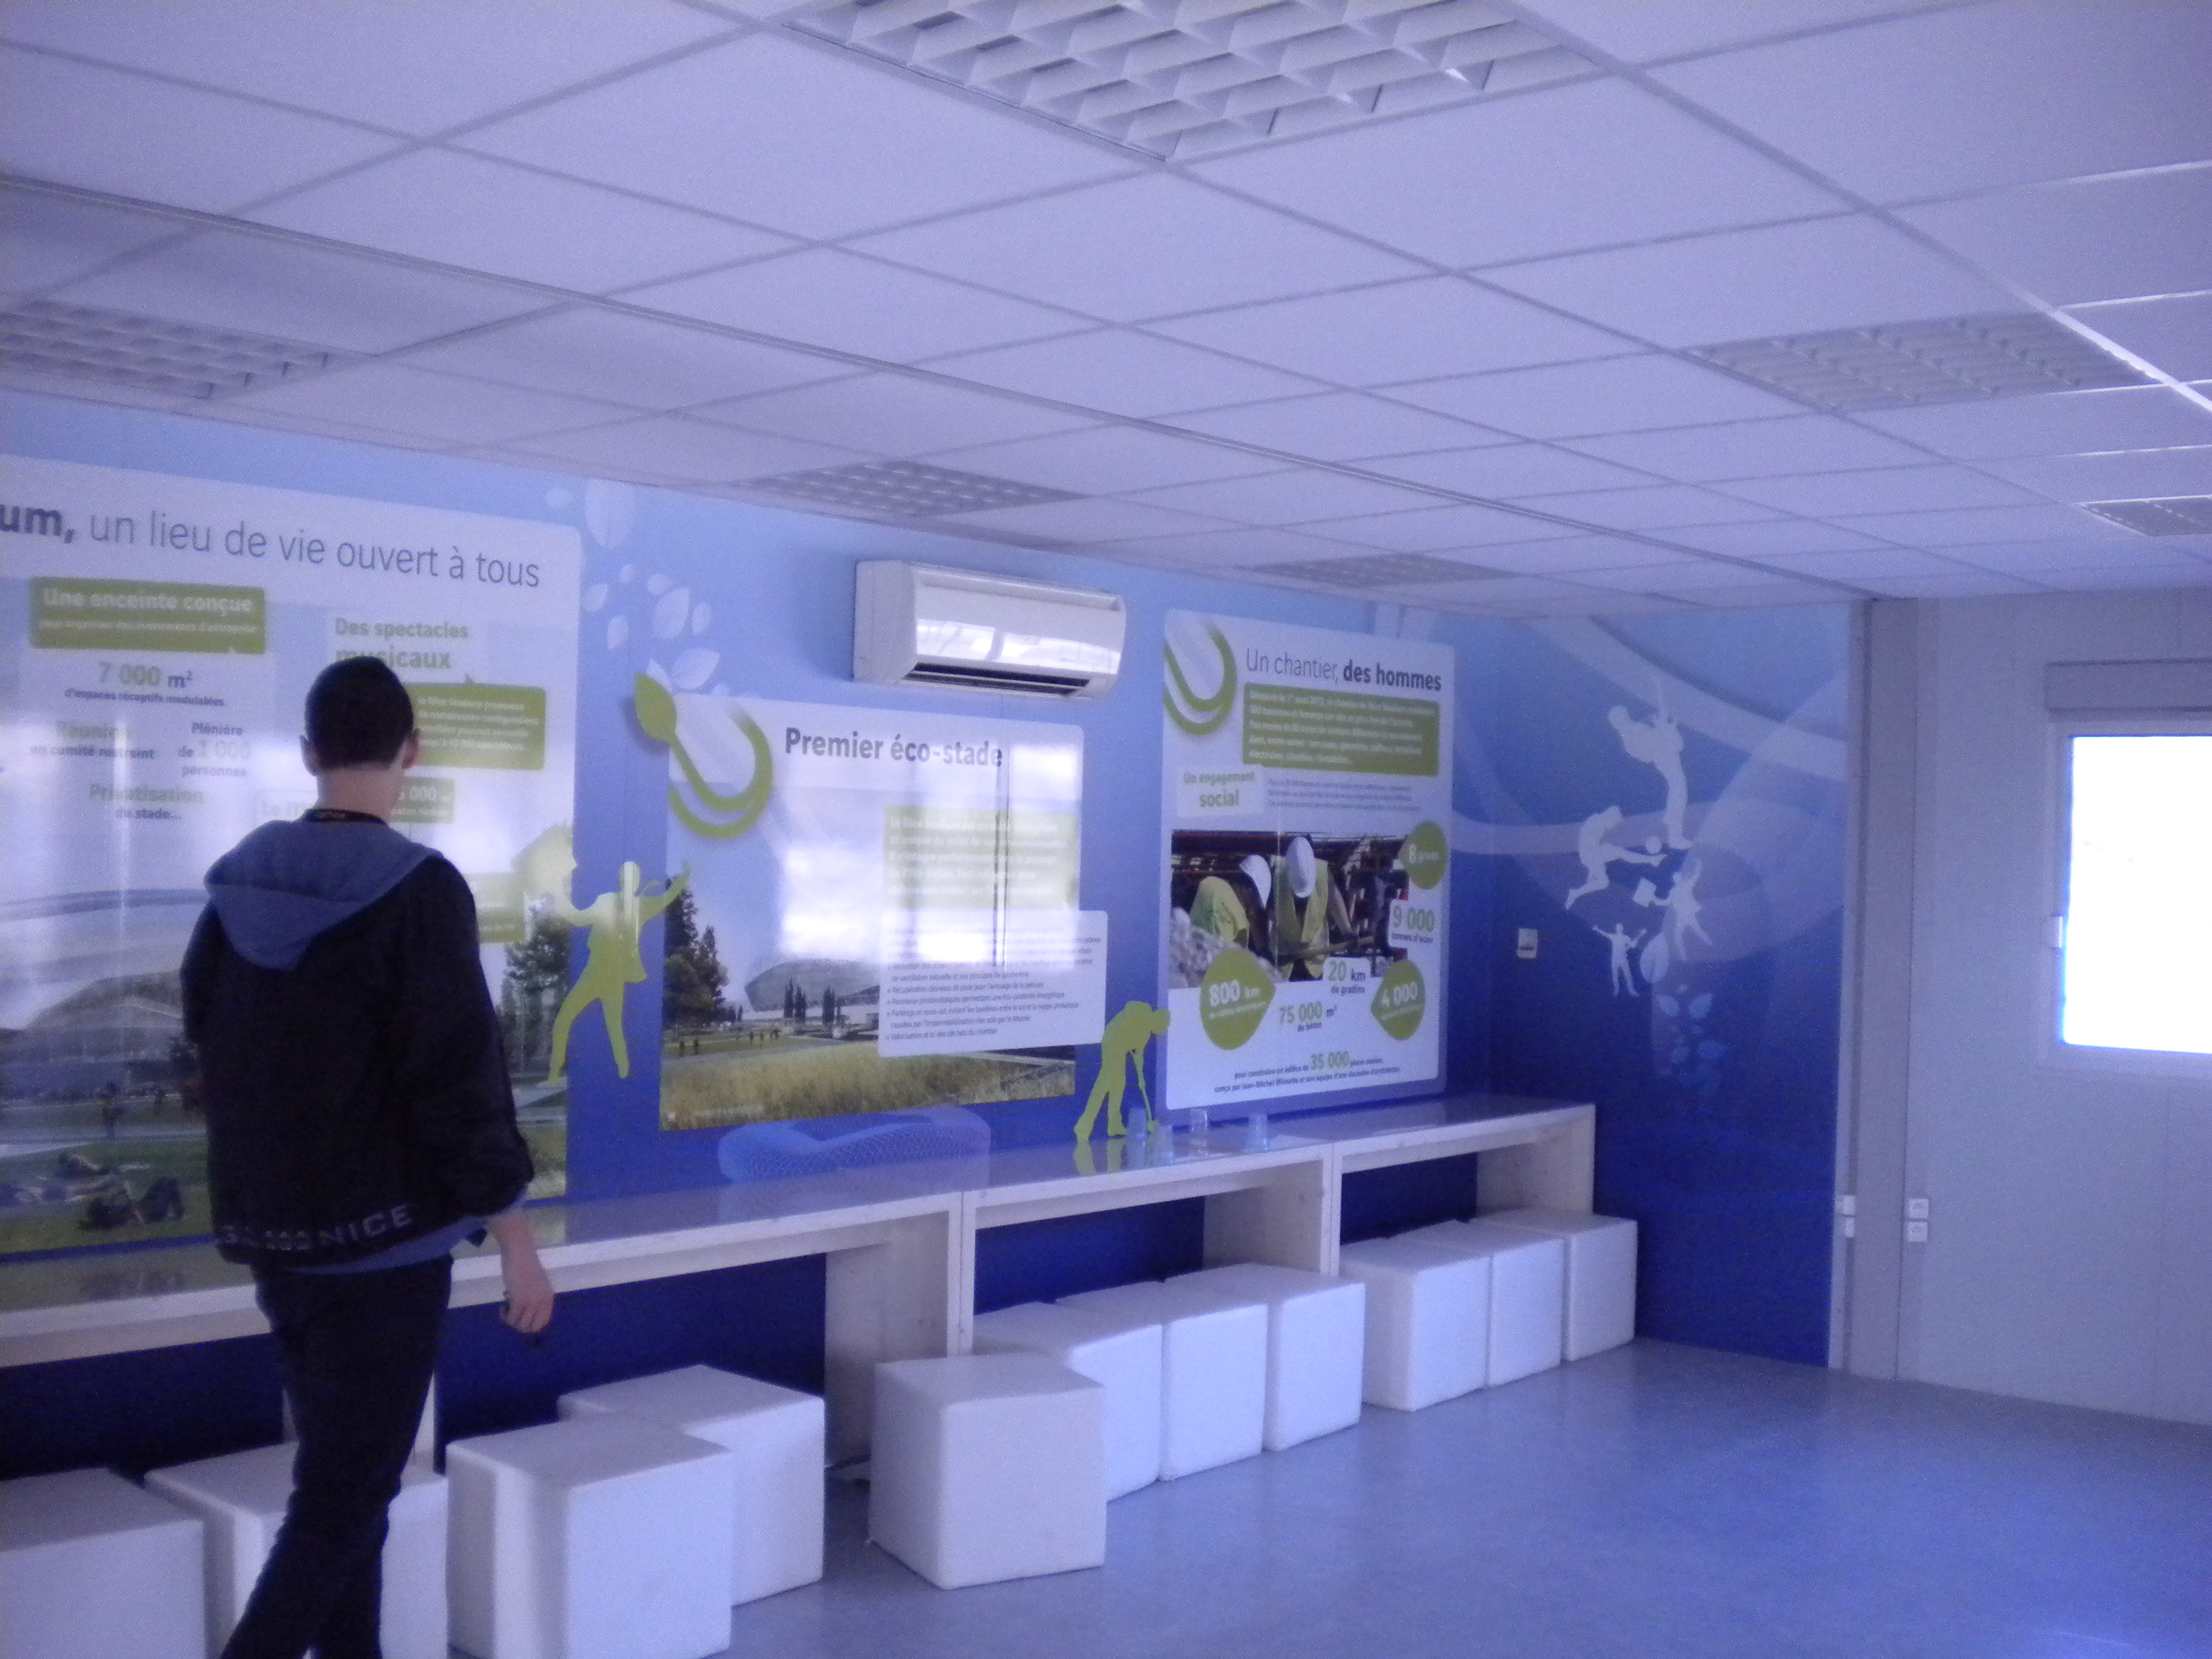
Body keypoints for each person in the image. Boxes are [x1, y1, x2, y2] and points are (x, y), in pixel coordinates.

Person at [182, 656, 553, 1659]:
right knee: (339, 1507)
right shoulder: (420, 892)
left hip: (277, 1246)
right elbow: (459, 1080)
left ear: (310, 753)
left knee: (350, 1492)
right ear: (411, 753)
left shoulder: (232, 895)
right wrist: (516, 1239)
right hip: (387, 1256)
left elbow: (210, 1049)